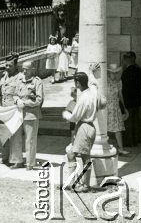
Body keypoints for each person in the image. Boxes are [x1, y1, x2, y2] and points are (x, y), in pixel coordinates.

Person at [61, 64, 100, 192]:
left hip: (84, 126)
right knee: (73, 153)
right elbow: (94, 83)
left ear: (77, 83)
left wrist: (65, 114)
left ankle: (84, 185)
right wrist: (91, 72)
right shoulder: (93, 91)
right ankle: (73, 183)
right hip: (89, 127)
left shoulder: (83, 98)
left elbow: (75, 116)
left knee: (81, 156)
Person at [11, 61, 44, 170]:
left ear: (33, 69)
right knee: (16, 137)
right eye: (23, 69)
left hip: (31, 114)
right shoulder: (20, 80)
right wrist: (17, 101)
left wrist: (24, 103)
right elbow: (14, 94)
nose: (24, 71)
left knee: (30, 139)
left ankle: (30, 163)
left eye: (27, 69)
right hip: (19, 113)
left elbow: (39, 99)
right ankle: (17, 161)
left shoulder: (37, 82)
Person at [0, 52, 23, 165]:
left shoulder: (20, 77)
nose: (7, 67)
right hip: (4, 110)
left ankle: (16, 159)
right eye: (6, 65)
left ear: (16, 66)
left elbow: (22, 93)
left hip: (14, 109)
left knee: (15, 135)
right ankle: (5, 156)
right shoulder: (4, 76)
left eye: (10, 65)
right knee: (3, 134)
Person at [121, 51, 141, 147]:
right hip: (137, 99)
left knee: (128, 121)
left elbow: (124, 87)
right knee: (135, 120)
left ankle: (129, 141)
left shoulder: (126, 72)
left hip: (128, 99)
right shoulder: (139, 69)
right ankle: (136, 140)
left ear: (127, 60)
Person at [106, 64, 129, 156]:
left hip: (115, 107)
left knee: (118, 128)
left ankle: (121, 148)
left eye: (116, 73)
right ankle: (104, 146)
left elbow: (120, 95)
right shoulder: (105, 82)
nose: (114, 75)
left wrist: (124, 107)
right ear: (108, 73)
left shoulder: (119, 82)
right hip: (106, 107)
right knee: (105, 128)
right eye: (112, 73)